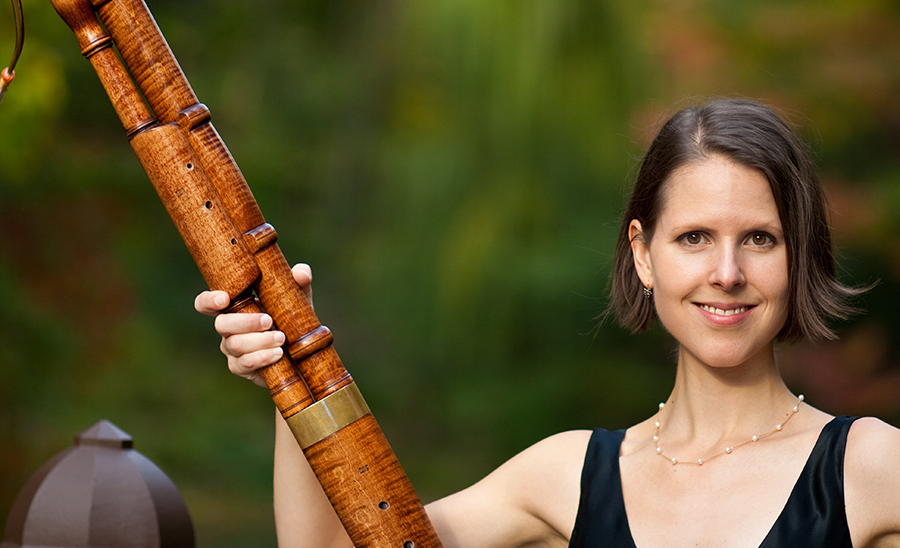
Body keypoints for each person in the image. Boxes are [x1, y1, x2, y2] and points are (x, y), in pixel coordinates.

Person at [194, 99, 900, 547]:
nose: (726, 273)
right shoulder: (566, 477)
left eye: (759, 238)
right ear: (642, 254)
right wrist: (292, 371)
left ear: (798, 254)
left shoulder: (873, 470)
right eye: (693, 238)